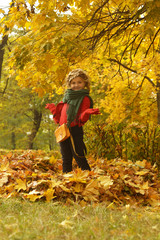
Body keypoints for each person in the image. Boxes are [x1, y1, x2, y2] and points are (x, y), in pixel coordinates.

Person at [45, 69, 100, 173]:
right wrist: (53, 109)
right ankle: (66, 178)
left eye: (79, 82)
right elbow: (60, 116)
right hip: (63, 130)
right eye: (73, 83)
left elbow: (81, 119)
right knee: (66, 157)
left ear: (85, 83)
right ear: (69, 84)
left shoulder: (84, 98)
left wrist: (86, 113)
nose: (76, 85)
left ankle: (88, 176)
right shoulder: (67, 97)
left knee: (78, 155)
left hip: (74, 130)